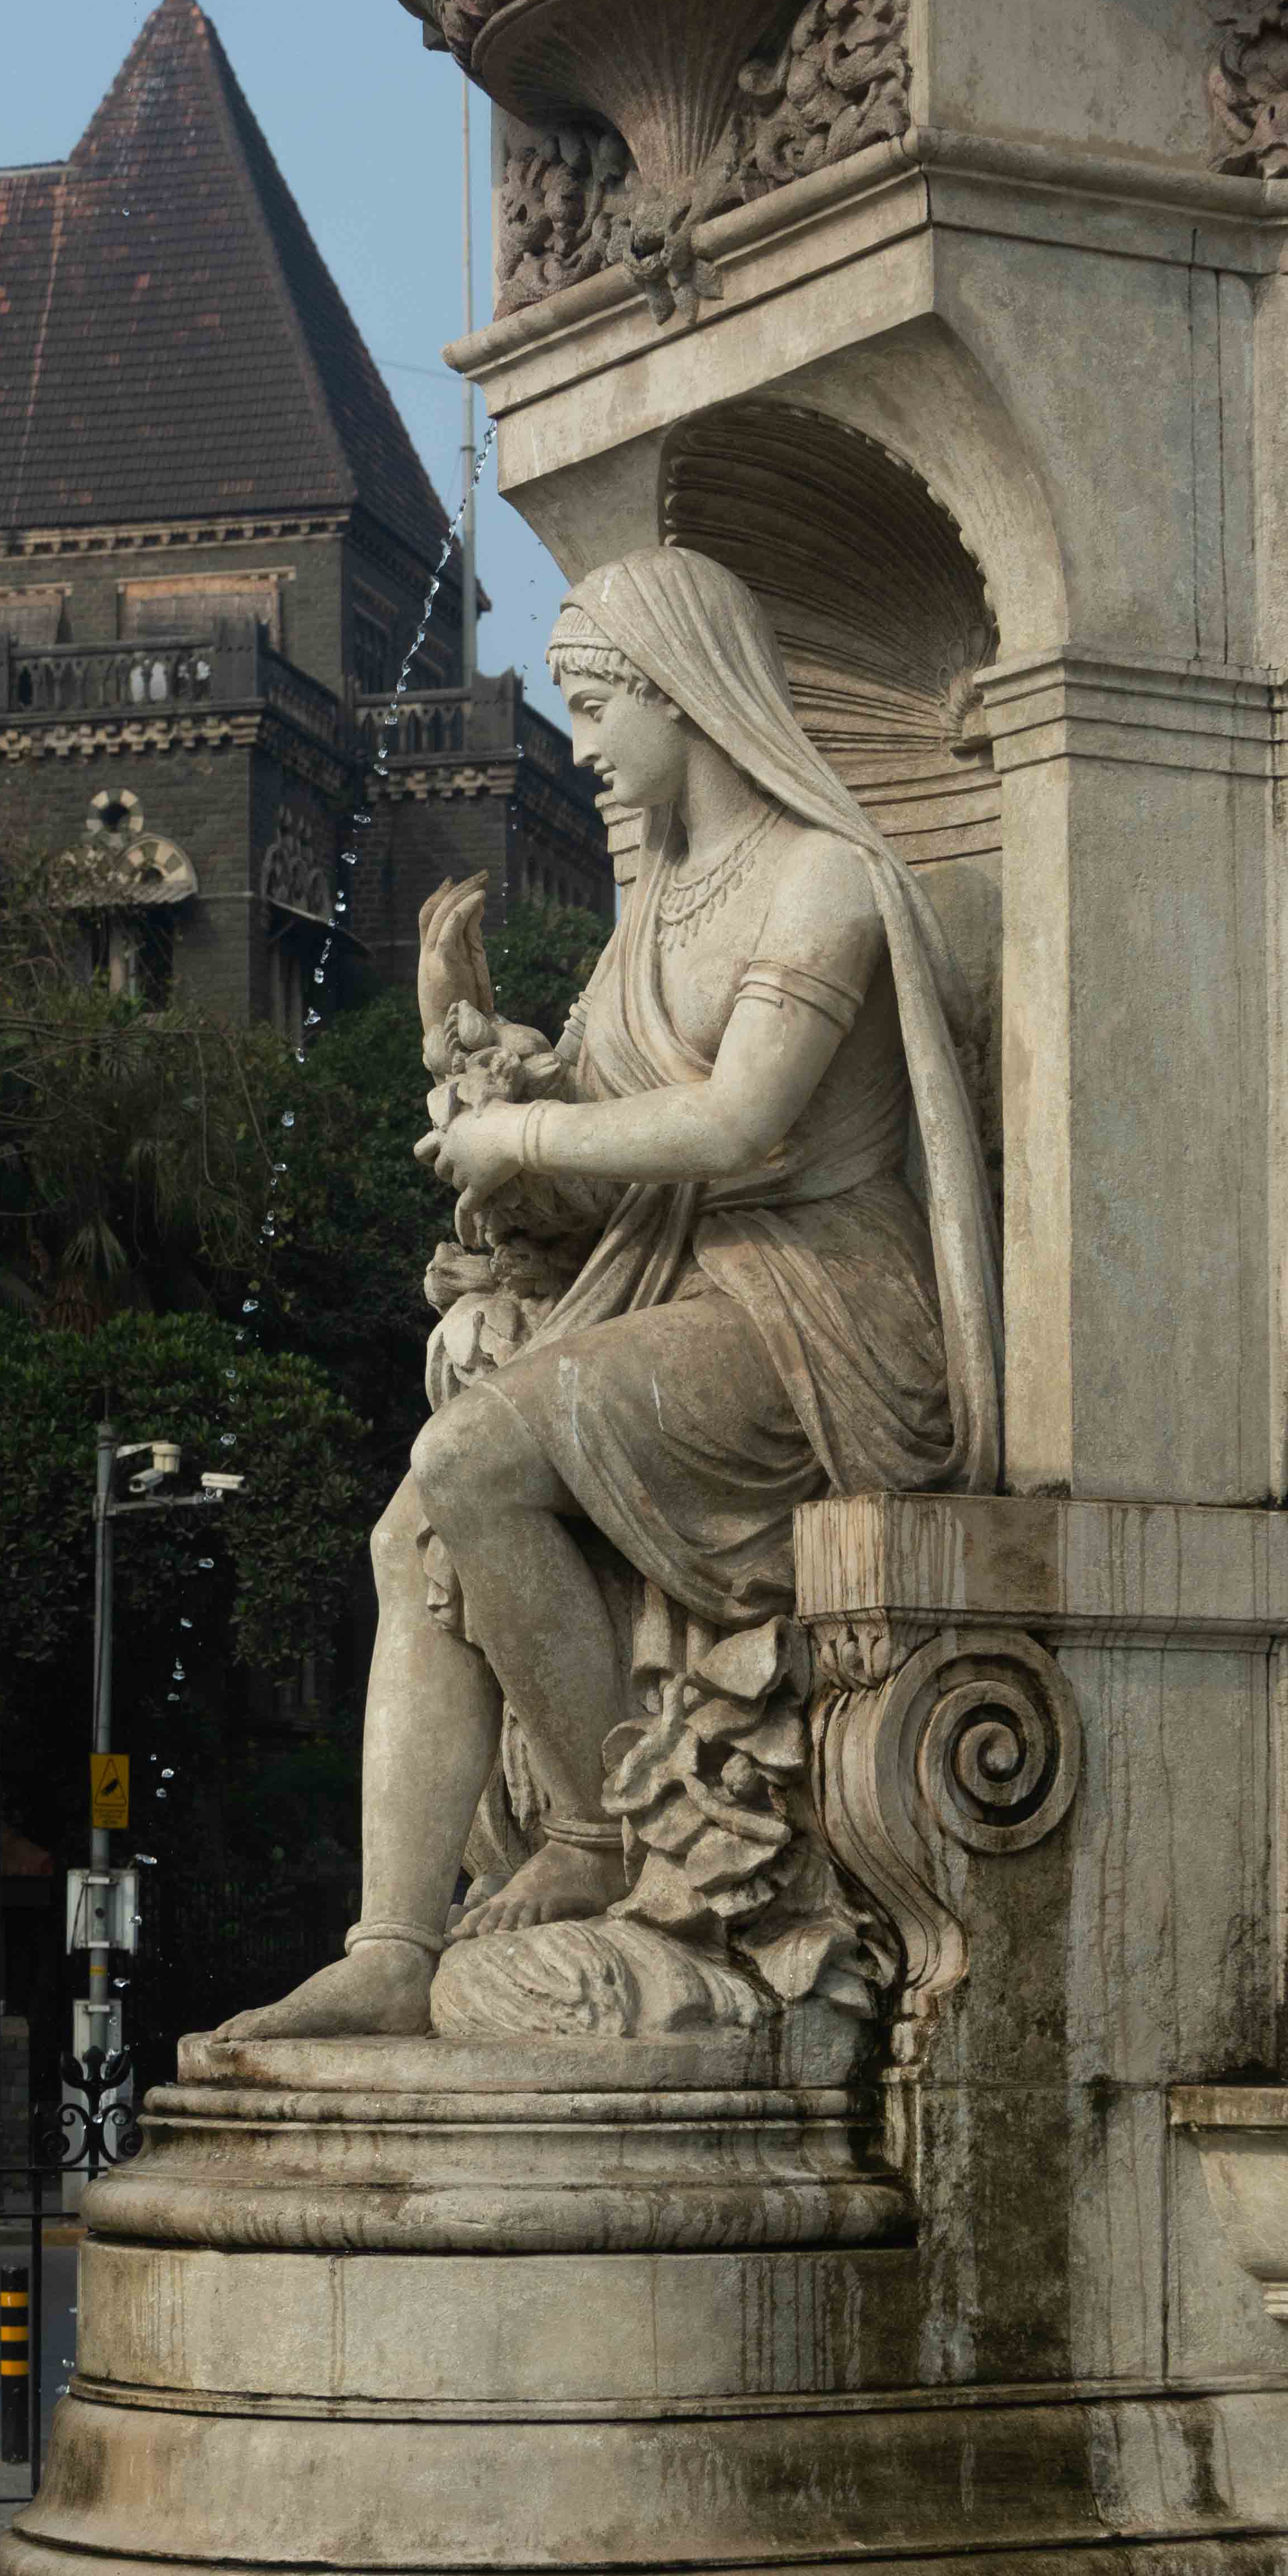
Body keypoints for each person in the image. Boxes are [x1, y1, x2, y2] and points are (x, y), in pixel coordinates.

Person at [225, 545, 1000, 2042]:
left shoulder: (823, 878)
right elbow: (601, 1161)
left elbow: (739, 1125)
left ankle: (608, 1835)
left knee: (471, 1456)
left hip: (825, 1317)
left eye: (594, 703)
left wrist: (521, 1138)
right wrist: (471, 1056)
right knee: (411, 1529)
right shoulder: (659, 912)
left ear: (682, 692)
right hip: (685, 1291)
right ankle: (392, 1944)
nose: (578, 741)